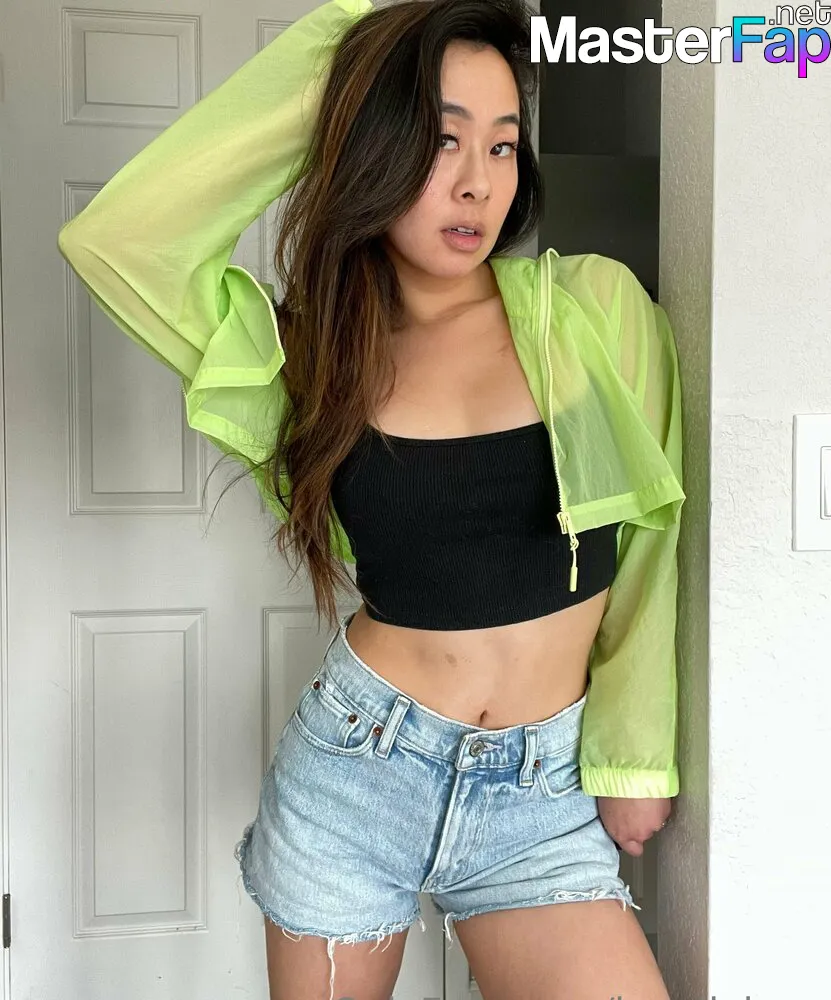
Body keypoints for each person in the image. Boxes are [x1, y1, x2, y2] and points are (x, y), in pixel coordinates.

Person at [57, 0, 685, 996]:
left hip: (543, 797)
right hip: (356, 776)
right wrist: (353, 55)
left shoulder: (592, 311)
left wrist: (635, 758)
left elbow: (651, 541)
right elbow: (119, 241)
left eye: (502, 144)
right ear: (376, 147)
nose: (477, 181)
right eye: (438, 140)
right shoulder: (315, 359)